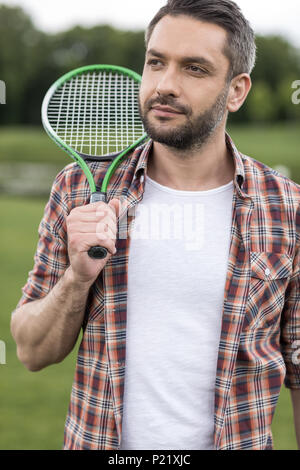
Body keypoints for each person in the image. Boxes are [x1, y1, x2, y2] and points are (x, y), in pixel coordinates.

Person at [11, 0, 300, 451]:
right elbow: (31, 351)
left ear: (237, 90)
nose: (165, 85)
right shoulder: (76, 190)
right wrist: (76, 279)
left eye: (195, 69)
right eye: (155, 62)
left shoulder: (288, 209)